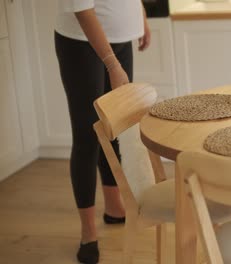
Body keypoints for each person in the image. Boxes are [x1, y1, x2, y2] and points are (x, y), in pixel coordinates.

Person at [54, 1, 151, 263]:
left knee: (115, 126)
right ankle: (88, 233)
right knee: (87, 135)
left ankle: (114, 207)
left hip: (118, 39)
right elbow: (82, 8)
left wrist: (139, 12)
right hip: (81, 43)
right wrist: (112, 64)